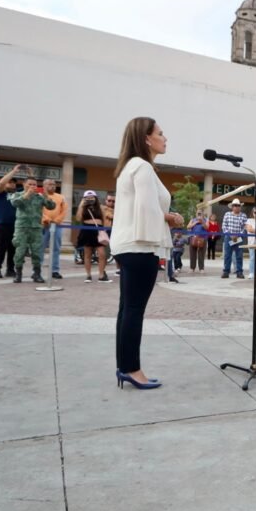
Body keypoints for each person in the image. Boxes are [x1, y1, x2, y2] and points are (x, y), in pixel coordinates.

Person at [109, 117, 181, 390]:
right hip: (140, 247)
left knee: (127, 309)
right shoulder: (141, 167)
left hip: (130, 246)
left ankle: (125, 366)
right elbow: (148, 210)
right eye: (161, 133)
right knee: (133, 310)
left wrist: (165, 216)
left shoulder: (133, 166)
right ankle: (131, 369)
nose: (165, 138)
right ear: (147, 138)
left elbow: (145, 207)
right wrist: (170, 219)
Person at [9, 176, 57, 283]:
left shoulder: (39, 197)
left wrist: (46, 196)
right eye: (30, 184)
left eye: (34, 184)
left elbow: (52, 206)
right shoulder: (18, 194)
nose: (32, 186)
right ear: (24, 185)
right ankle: (18, 274)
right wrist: (27, 194)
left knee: (36, 252)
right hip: (22, 228)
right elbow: (15, 203)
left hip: (36, 228)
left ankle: (37, 273)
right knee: (20, 251)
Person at [75, 190, 112, 283]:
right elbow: (78, 218)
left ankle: (101, 275)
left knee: (102, 254)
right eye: (88, 198)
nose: (90, 199)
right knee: (87, 254)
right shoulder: (83, 207)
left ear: (96, 198)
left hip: (98, 230)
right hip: (87, 230)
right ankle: (88, 275)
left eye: (92, 197)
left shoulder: (100, 208)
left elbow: (103, 220)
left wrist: (103, 230)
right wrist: (82, 204)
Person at [0, 164, 20, 279]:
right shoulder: (0, 194)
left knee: (13, 249)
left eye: (14, 182)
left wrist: (30, 174)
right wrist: (13, 171)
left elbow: (31, 187)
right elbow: (0, 184)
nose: (12, 184)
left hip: (16, 225)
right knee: (1, 248)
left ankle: (10, 269)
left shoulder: (19, 194)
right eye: (10, 182)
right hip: (3, 224)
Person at [40, 179, 68, 280]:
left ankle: (55, 270)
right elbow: (37, 210)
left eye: (54, 184)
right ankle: (37, 270)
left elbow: (64, 210)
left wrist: (57, 220)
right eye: (49, 184)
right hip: (43, 225)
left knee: (56, 248)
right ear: (44, 186)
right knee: (40, 248)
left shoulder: (61, 197)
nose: (52, 186)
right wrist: (46, 219)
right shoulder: (39, 196)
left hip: (57, 225)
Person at [221, 199, 248, 279]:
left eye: (238, 206)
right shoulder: (227, 214)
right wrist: (230, 235)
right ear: (232, 207)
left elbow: (245, 227)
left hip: (239, 238)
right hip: (228, 237)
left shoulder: (243, 215)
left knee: (239, 255)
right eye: (235, 205)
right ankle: (226, 271)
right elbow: (224, 226)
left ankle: (239, 272)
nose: (237, 207)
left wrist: (239, 235)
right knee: (227, 255)